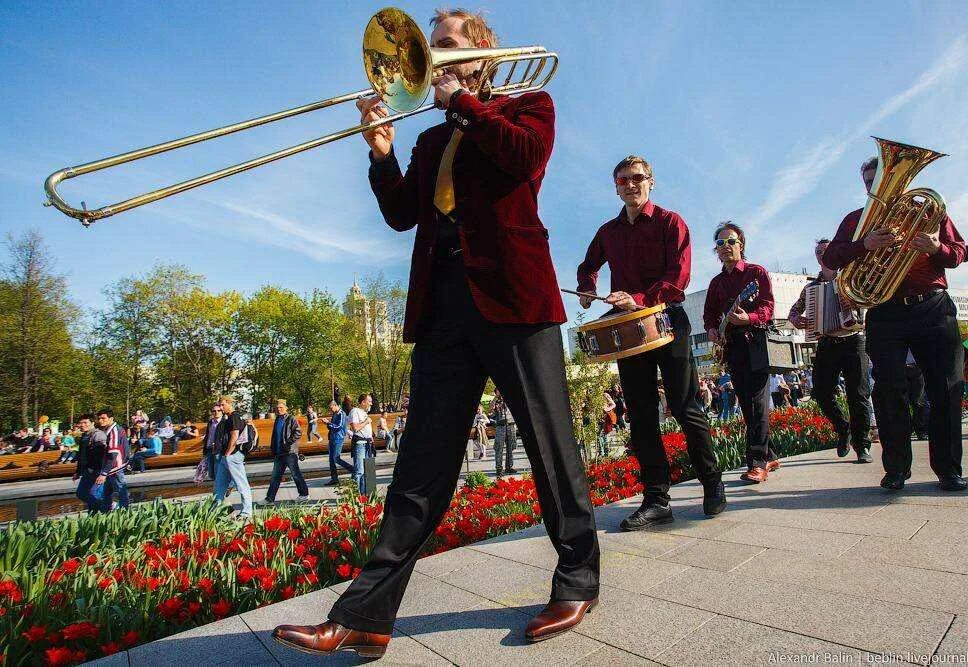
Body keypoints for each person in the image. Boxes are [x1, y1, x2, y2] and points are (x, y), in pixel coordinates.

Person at [272, 9, 600, 655]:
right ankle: (366, 615)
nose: (437, 57)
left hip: (515, 297)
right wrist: (382, 155)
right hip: (443, 305)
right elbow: (401, 215)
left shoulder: (527, 105)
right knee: (419, 468)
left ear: (482, 54)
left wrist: (467, 109)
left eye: (448, 46)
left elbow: (524, 159)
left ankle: (578, 578)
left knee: (549, 446)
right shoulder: (427, 140)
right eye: (434, 47)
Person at [575, 154, 725, 525]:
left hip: (667, 321)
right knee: (641, 417)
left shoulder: (671, 222)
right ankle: (657, 500)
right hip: (628, 329)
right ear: (616, 186)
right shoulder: (608, 232)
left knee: (685, 407)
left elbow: (679, 277)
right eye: (623, 180)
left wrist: (638, 298)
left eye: (637, 178)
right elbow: (587, 265)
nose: (631, 184)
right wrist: (586, 288)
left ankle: (712, 484)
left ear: (651, 181)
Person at [823, 155, 966, 491]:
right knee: (889, 390)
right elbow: (831, 258)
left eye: (885, 179)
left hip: (933, 307)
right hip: (885, 310)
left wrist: (937, 247)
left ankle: (948, 470)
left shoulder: (927, 211)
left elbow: (959, 252)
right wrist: (863, 244)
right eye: (871, 183)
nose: (879, 187)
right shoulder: (858, 220)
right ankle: (897, 469)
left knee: (945, 388)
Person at [704, 222, 779, 483]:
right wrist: (713, 329)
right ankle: (769, 454)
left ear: (741, 245)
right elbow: (709, 316)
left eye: (731, 242)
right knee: (747, 404)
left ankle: (757, 463)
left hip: (755, 342)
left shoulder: (756, 272)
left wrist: (750, 317)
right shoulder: (715, 283)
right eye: (720, 244)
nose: (726, 247)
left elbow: (769, 307)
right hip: (732, 347)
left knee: (758, 401)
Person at [789, 238, 874, 462]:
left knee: (859, 395)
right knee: (821, 393)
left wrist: (855, 303)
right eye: (818, 252)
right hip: (827, 342)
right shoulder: (811, 288)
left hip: (854, 340)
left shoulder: (852, 276)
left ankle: (862, 444)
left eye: (825, 250)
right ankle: (842, 426)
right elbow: (794, 311)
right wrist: (797, 319)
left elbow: (871, 300)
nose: (821, 254)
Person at [213, 395, 253, 518]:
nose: (221, 407)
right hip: (227, 457)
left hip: (233, 456)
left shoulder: (235, 417)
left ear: (230, 404)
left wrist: (227, 453)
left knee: (242, 485)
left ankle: (247, 512)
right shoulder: (229, 418)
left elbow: (234, 437)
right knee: (219, 486)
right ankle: (215, 510)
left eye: (222, 405)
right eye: (220, 405)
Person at [265, 399, 309, 503]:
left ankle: (304, 494)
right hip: (279, 453)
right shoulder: (277, 419)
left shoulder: (291, 418)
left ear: (286, 408)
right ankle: (269, 499)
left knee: (295, 474)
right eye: (277, 408)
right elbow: (275, 435)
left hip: (289, 452)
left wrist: (288, 443)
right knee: (275, 477)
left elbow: (298, 432)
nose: (279, 409)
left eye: (281, 408)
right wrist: (273, 447)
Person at [94, 408, 130, 512]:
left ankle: (125, 513)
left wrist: (104, 472)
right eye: (99, 418)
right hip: (112, 466)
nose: (101, 420)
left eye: (103, 418)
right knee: (107, 493)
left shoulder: (114, 431)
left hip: (115, 467)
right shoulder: (110, 429)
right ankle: (108, 512)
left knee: (120, 491)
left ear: (111, 418)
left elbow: (113, 453)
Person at [73, 414, 103, 514]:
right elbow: (81, 454)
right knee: (83, 493)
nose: (82, 425)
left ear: (92, 423)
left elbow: (101, 453)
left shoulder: (97, 434)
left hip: (96, 470)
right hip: (86, 470)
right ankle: (94, 515)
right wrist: (78, 471)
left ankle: (108, 506)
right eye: (80, 423)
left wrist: (93, 467)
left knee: (89, 493)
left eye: (85, 423)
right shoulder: (84, 436)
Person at [347, 393, 374, 495]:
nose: (371, 403)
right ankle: (355, 495)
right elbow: (355, 428)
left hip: (367, 444)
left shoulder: (364, 413)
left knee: (366, 472)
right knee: (359, 471)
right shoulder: (355, 411)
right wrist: (367, 422)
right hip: (360, 444)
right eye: (369, 401)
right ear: (363, 402)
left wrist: (370, 436)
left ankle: (363, 495)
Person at [324, 401, 352, 485]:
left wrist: (328, 423)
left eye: (331, 408)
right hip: (332, 438)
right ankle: (334, 479)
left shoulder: (341, 414)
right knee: (331, 460)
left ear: (335, 405)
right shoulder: (335, 413)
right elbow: (332, 426)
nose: (331, 410)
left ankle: (353, 470)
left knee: (336, 458)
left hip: (338, 438)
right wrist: (328, 423)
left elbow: (339, 427)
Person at [490, 392, 517, 475]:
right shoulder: (496, 402)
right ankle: (499, 468)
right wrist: (496, 397)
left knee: (511, 447)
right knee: (499, 448)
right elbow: (490, 409)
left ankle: (509, 466)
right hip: (500, 426)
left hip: (511, 425)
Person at [203, 403, 224, 481]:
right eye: (214, 411)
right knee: (211, 473)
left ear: (222, 412)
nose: (216, 412)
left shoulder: (224, 422)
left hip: (218, 449)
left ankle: (220, 490)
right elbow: (208, 435)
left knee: (218, 471)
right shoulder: (210, 422)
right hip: (209, 449)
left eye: (219, 410)